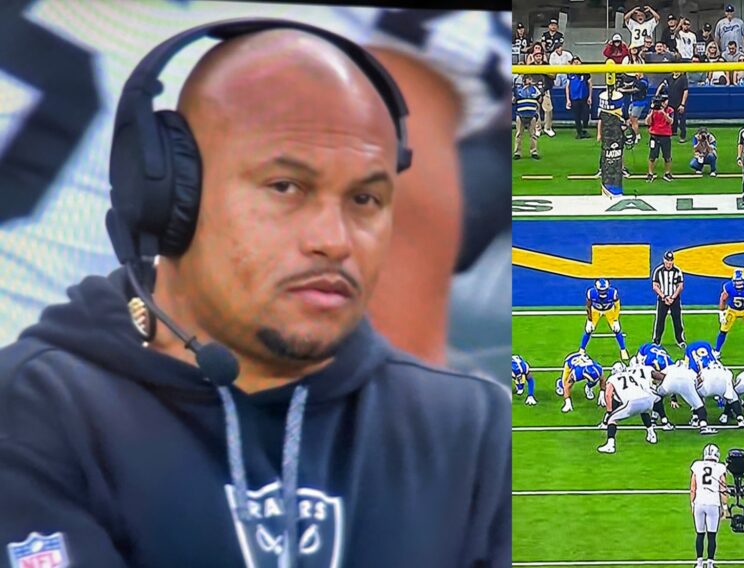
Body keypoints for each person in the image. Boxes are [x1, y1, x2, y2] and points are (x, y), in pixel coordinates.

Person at [0, 23, 509, 568]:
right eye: (285, 188)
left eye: (365, 198)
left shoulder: (475, 429)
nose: (333, 240)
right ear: (172, 198)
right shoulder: (37, 410)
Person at [598, 363, 662, 453]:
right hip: (647, 399)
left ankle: (610, 445)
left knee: (611, 419)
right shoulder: (632, 375)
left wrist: (609, 411)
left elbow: (608, 395)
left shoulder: (612, 379)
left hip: (632, 402)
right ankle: (652, 434)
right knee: (644, 411)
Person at [690, 444, 728, 568]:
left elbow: (693, 487)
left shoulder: (697, 465)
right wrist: (725, 507)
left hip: (699, 503)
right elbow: (723, 488)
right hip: (713, 503)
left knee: (700, 534)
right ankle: (710, 564)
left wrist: (692, 503)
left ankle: (699, 564)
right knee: (712, 536)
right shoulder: (720, 467)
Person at [582, 279, 629, 360]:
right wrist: (589, 320)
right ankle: (582, 350)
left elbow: (617, 306)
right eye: (601, 291)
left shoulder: (613, 293)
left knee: (617, 329)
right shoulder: (591, 293)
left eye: (604, 291)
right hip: (595, 310)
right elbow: (588, 306)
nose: (602, 293)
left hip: (609, 310)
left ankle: (623, 350)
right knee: (588, 330)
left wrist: (615, 319)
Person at [651, 251, 686, 350]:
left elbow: (680, 286)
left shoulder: (677, 271)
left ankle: (680, 340)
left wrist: (673, 297)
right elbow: (655, 286)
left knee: (677, 320)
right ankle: (657, 340)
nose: (669, 264)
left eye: (671, 262)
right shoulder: (658, 271)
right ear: (664, 260)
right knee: (660, 320)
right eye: (667, 262)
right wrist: (664, 296)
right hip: (663, 299)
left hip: (674, 299)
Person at [646, 94, 675, 182]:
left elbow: (671, 121)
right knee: (652, 156)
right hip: (654, 136)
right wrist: (651, 113)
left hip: (665, 136)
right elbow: (648, 122)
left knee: (667, 156)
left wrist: (663, 113)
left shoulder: (670, 110)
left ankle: (667, 173)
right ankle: (650, 173)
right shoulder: (653, 110)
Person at [514, 76, 542, 160]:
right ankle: (517, 153)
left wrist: (541, 92)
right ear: (524, 80)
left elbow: (539, 99)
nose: (531, 81)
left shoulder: (534, 89)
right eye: (529, 79)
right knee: (519, 134)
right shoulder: (518, 89)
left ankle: (534, 152)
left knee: (533, 134)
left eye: (531, 79)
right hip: (520, 114)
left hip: (532, 114)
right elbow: (514, 100)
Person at [658, 71, 690, 143]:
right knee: (671, 119)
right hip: (671, 102)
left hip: (679, 102)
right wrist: (657, 94)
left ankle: (682, 136)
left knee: (682, 121)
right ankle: (672, 132)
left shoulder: (683, 78)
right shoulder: (669, 77)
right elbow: (662, 85)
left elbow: (686, 91)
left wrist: (682, 104)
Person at [566, 57, 593, 139]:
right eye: (574, 62)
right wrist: (568, 99)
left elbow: (590, 84)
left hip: (584, 97)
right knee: (576, 116)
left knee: (586, 115)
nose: (576, 63)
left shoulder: (585, 73)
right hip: (574, 98)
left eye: (578, 62)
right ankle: (579, 132)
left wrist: (590, 97)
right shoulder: (570, 73)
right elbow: (567, 86)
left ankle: (584, 130)